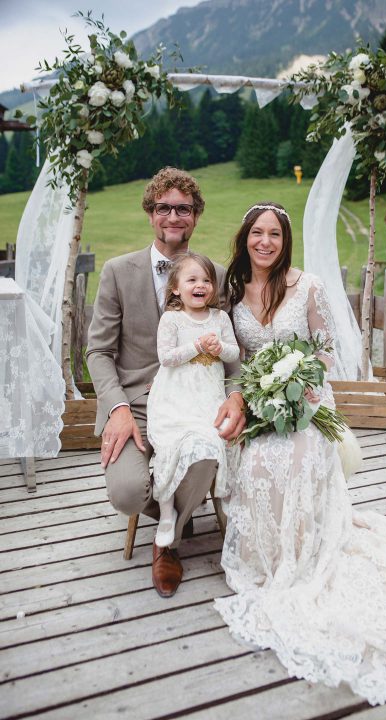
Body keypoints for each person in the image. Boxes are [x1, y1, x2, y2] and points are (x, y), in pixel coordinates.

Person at [214, 202, 386, 706]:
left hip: (309, 399)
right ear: (244, 237)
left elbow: (326, 350)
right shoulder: (232, 294)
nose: (265, 242)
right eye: (257, 233)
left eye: (274, 233)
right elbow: (240, 359)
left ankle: (307, 553)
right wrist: (253, 397)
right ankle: (270, 557)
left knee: (295, 457)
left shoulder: (306, 286)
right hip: (259, 400)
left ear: (284, 240)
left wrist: (294, 382)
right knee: (254, 461)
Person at [86, 167, 244, 598]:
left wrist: (235, 397)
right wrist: (117, 408)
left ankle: (167, 543)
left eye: (184, 208)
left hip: (198, 402)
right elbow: (97, 352)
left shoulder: (213, 274)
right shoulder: (118, 272)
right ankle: (174, 493)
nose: (173, 215)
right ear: (151, 214)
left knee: (209, 453)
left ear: (195, 216)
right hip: (136, 403)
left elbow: (233, 351)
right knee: (126, 493)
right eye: (164, 208)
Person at [146, 252, 239, 591]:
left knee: (210, 439)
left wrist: (217, 348)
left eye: (206, 280)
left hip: (208, 395)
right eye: (192, 280)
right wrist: (196, 345)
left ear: (213, 288)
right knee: (172, 442)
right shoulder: (171, 320)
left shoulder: (220, 317)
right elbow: (166, 357)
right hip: (175, 394)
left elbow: (234, 354)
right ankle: (168, 511)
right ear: (175, 289)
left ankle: (223, 519)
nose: (200, 285)